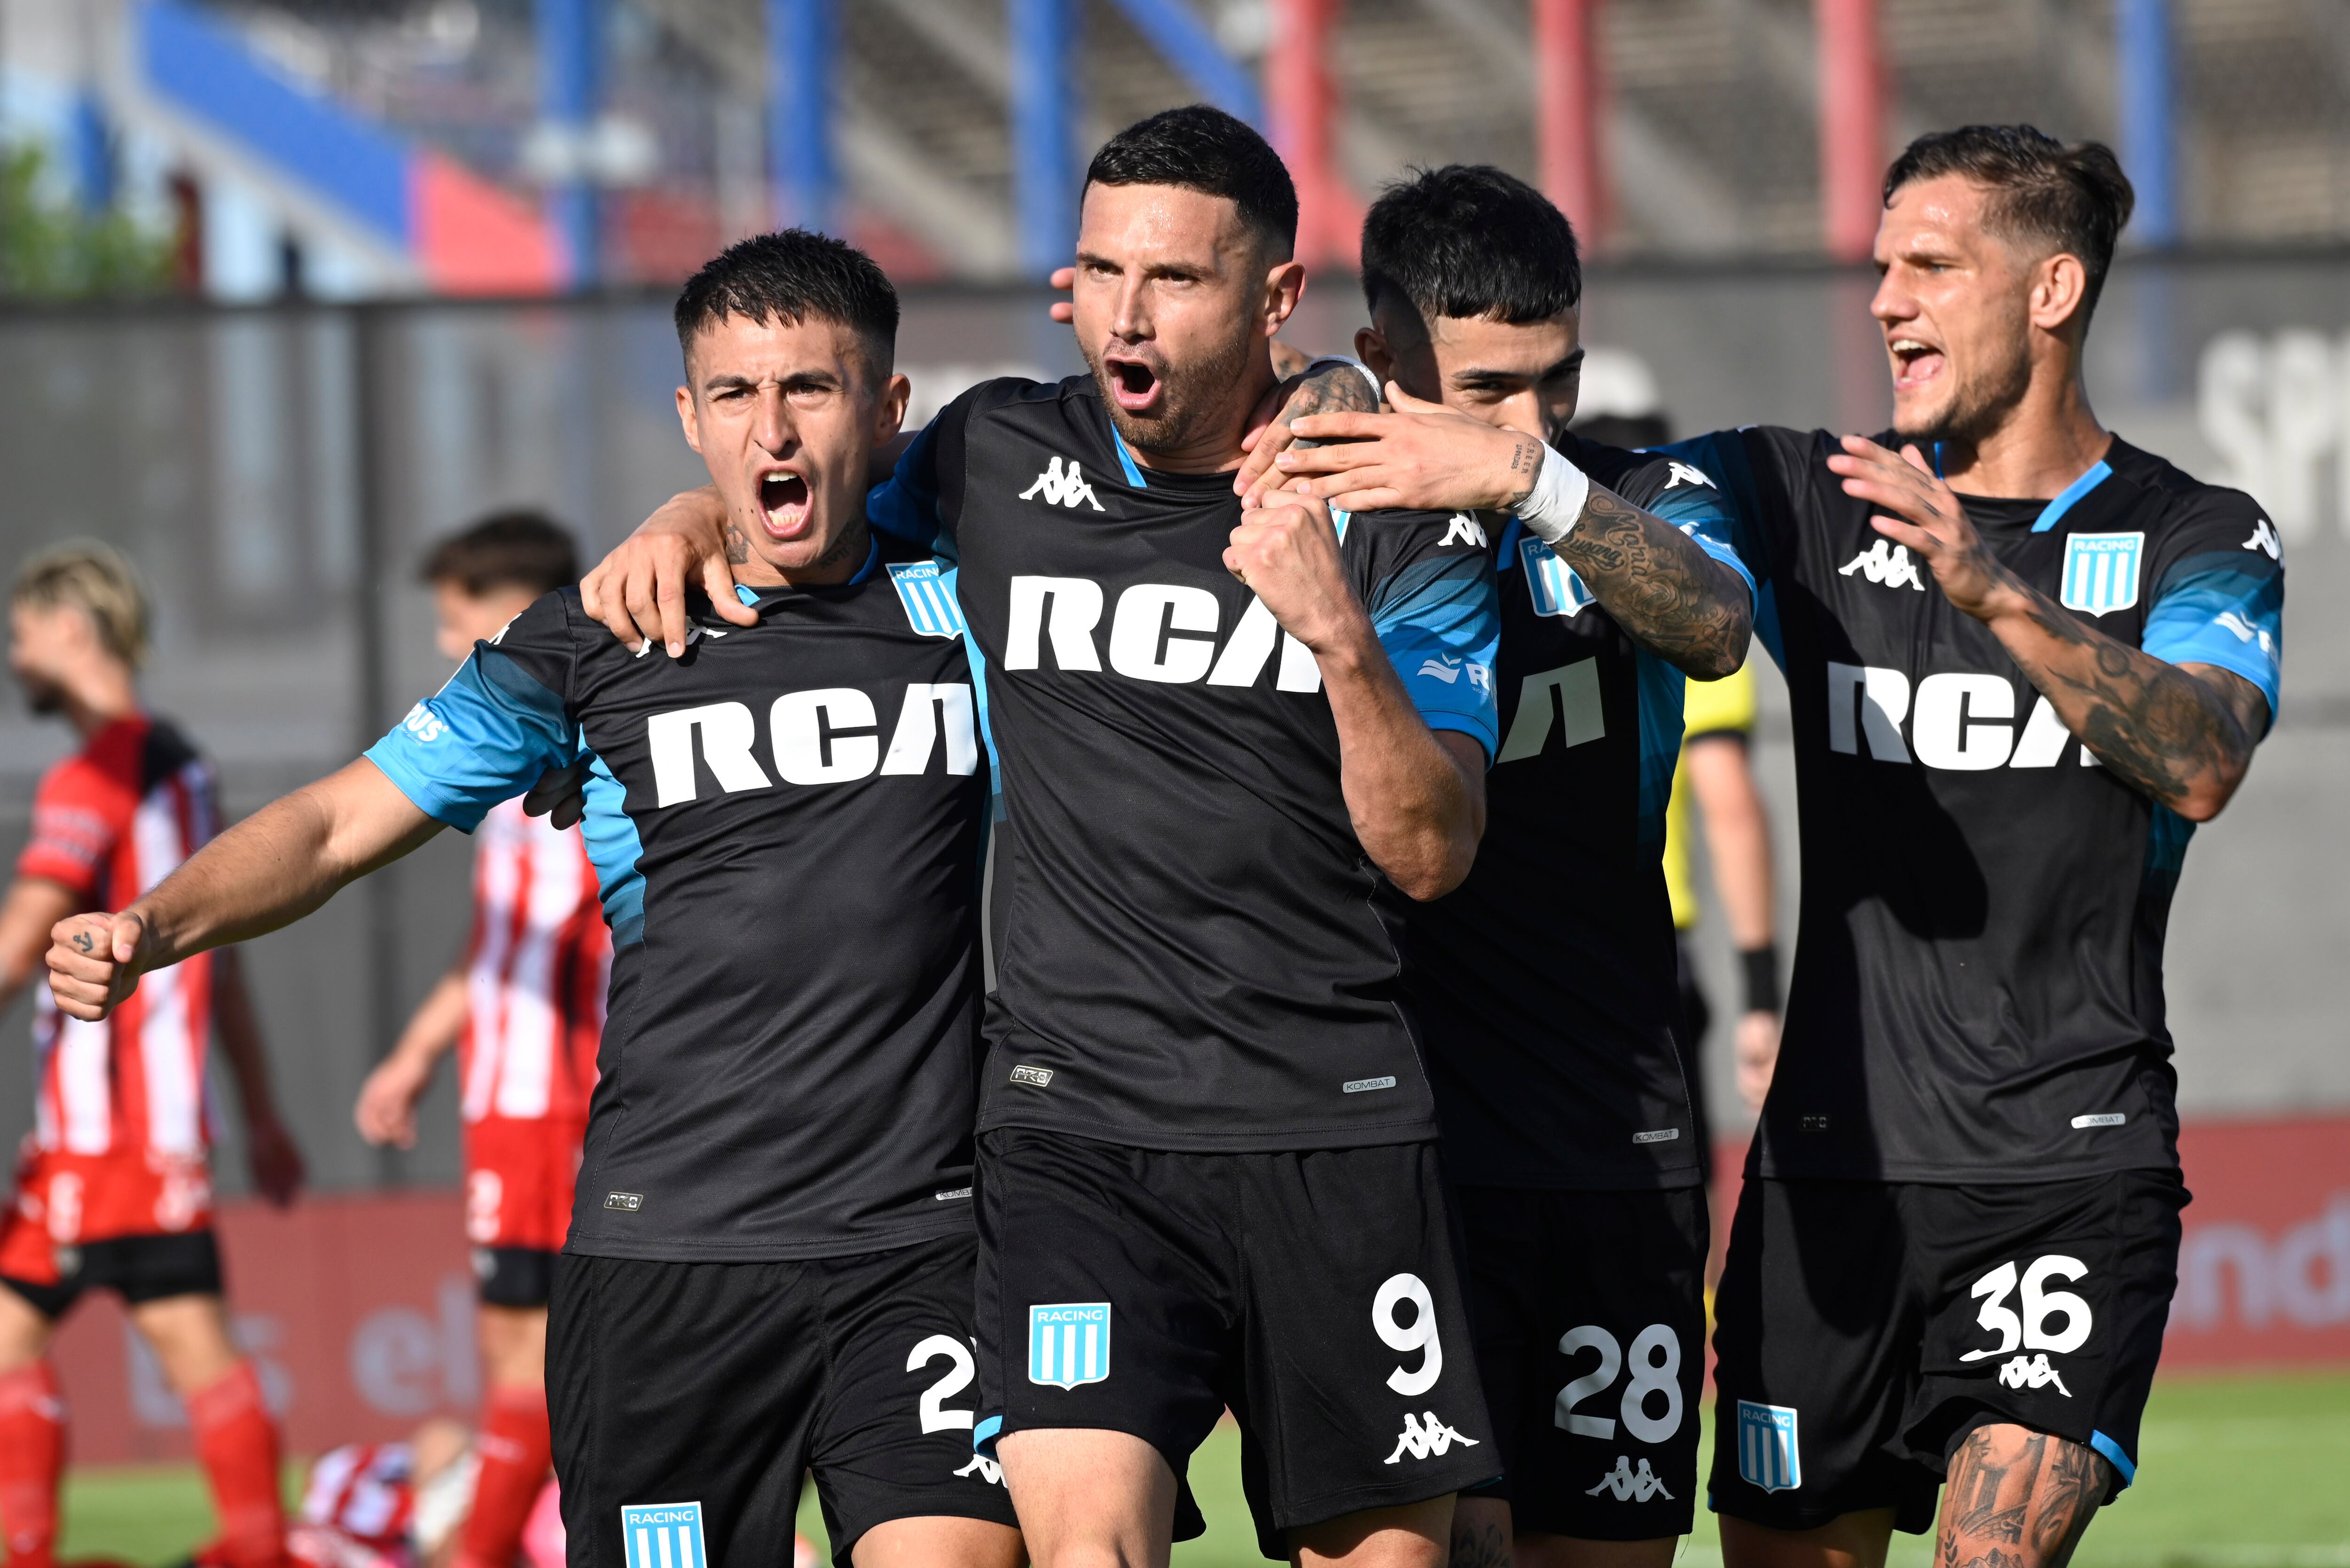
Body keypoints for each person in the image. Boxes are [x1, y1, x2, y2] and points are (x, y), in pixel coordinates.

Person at [1237, 124, 2285, 1568]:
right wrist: (1368, 402)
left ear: (2050, 291)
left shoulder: (2199, 532)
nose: (1883, 300)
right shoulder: (1805, 494)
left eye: (1927, 266)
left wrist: (1997, 595)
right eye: (1878, 267)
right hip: (1819, 1183)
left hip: (2064, 1158)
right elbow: (1686, 581)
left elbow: (2205, 760)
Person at [580, 107, 1504, 1568]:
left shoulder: (1389, 510)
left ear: (1274, 299)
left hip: (1333, 1117)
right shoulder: (991, 457)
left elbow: (1431, 853)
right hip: (1076, 1130)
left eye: (1175, 281)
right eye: (1096, 273)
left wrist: (1337, 639)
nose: (1121, 317)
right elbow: (800, 489)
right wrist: (688, 512)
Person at [46, 231, 1024, 1568]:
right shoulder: (590, 644)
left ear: (889, 410)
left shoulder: (967, 610)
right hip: (668, 1255)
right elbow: (337, 823)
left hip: (918, 1245)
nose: (772, 428)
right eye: (735, 395)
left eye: (813, 387)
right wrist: (150, 923)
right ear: (688, 417)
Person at [1312, 166, 1755, 1568]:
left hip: (1612, 1140)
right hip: (1400, 1145)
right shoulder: (1323, 523)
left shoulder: (1637, 498)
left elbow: (1719, 625)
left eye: (1554, 380)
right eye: (1489, 387)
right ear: (1384, 360)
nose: (1534, 420)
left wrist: (1520, 475)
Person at [0, 542, 304, 1568]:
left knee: (44, 1347)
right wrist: (258, 1111)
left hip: (107, 1129)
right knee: (188, 1345)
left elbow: (21, 941)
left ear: (72, 632)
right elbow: (230, 960)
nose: (16, 653)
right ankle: (260, 1547)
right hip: (152, 1127)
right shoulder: (184, 761)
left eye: (23, 633)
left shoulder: (99, 770)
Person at [352, 514, 610, 1568]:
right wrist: (416, 1053)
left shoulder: (587, 758)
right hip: (500, 1102)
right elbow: (490, 947)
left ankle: (481, 1553)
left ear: (512, 620)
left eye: (457, 628)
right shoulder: (502, 762)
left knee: (534, 1362)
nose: (442, 650)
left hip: (552, 1104)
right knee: (519, 1355)